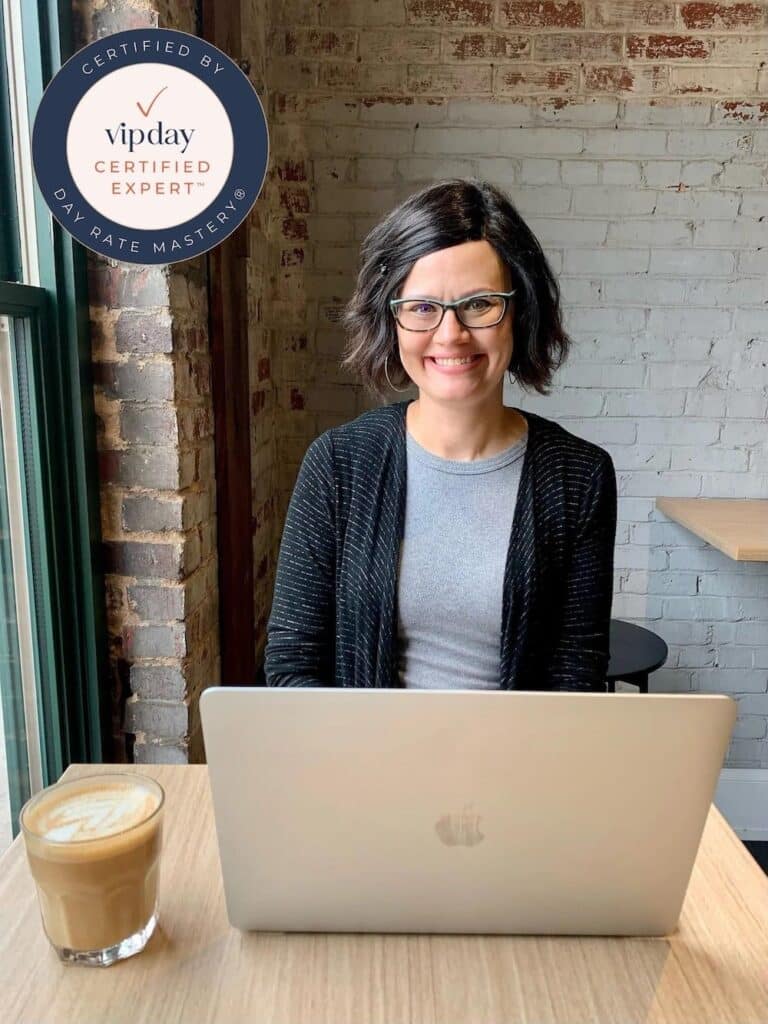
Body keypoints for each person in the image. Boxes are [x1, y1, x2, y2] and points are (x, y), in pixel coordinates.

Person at [265, 178, 617, 692]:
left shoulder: (579, 477)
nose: (450, 334)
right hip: (367, 764)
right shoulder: (339, 464)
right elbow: (292, 665)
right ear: (393, 319)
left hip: (516, 766)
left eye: (479, 304)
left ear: (519, 311)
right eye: (423, 307)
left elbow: (576, 676)